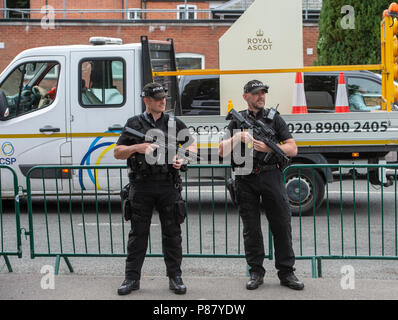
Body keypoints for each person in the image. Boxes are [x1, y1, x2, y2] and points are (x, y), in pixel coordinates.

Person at [218, 80, 304, 291]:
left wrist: (268, 148)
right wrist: (237, 137)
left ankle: (286, 272)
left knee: (281, 225)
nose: (261, 96)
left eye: (263, 93)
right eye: (256, 93)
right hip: (245, 179)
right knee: (251, 229)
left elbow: (293, 148)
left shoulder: (274, 120)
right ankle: (255, 272)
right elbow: (221, 151)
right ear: (246, 96)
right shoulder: (237, 121)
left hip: (271, 175)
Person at [114, 82, 197, 296]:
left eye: (164, 98)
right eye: (158, 98)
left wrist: (182, 157)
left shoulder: (174, 122)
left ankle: (175, 278)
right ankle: (131, 279)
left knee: (173, 234)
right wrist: (138, 148)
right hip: (141, 186)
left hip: (168, 185)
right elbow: (118, 152)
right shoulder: (134, 123)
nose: (163, 101)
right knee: (137, 235)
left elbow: (192, 147)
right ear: (147, 101)